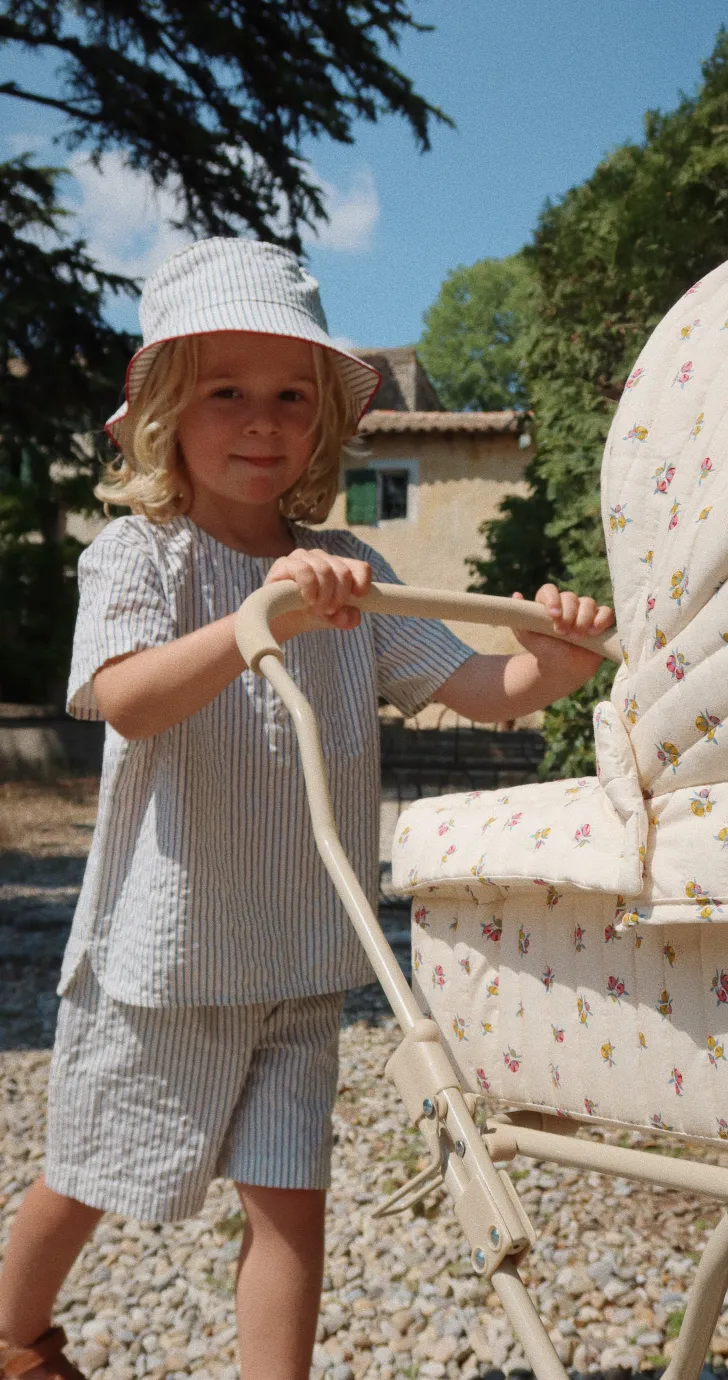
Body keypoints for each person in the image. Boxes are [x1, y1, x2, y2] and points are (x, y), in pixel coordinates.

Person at [0, 238, 614, 1380]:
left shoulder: (350, 568)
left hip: (300, 954)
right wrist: (262, 621)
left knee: (292, 1202)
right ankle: (14, 1335)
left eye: (291, 396)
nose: (262, 421)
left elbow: (478, 686)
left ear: (323, 422)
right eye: (226, 393)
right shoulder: (142, 555)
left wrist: (552, 663)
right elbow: (125, 700)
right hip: (166, 958)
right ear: (165, 414)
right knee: (91, 1171)